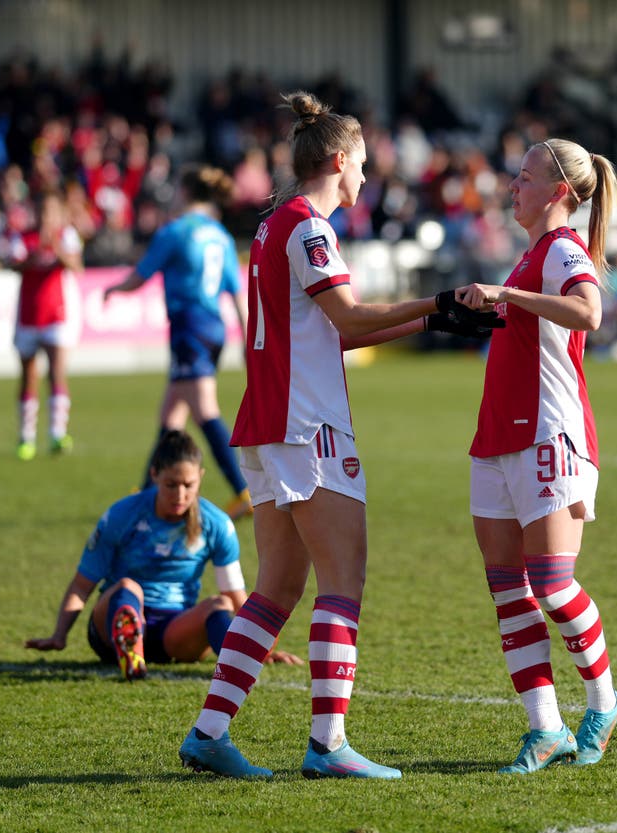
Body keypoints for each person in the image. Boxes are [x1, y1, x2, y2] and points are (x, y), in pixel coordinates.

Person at [177, 91, 500, 781]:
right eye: (360, 163)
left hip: (266, 425)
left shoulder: (273, 225)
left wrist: (430, 323)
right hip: (308, 427)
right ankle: (328, 743)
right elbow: (350, 322)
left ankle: (208, 732)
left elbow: (329, 332)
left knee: (276, 589)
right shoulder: (310, 229)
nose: (365, 177)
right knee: (343, 581)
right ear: (336, 159)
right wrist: (440, 303)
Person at [453, 137, 617, 773]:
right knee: (508, 588)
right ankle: (545, 729)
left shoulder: (562, 250)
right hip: (497, 435)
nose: (512, 186)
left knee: (551, 583)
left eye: (524, 177)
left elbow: (590, 312)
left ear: (557, 193)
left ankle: (604, 703)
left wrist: (509, 296)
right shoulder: (533, 255)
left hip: (550, 435)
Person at [24, 430, 302, 679]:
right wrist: (59, 635)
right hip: (113, 624)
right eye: (171, 485)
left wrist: (261, 650)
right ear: (154, 475)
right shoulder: (123, 514)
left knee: (218, 605)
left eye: (188, 485)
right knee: (127, 586)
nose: (180, 494)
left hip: (176, 631)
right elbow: (82, 585)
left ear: (200, 478)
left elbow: (234, 596)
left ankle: (239, 665)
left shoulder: (216, 523)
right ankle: (131, 649)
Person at [102, 165, 254, 519]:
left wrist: (113, 288)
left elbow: (140, 276)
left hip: (188, 325)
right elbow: (236, 293)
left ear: (184, 193)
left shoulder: (175, 232)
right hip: (214, 327)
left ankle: (243, 488)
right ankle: (145, 496)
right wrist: (247, 338)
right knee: (172, 415)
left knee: (204, 409)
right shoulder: (220, 235)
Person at [12, 190, 84, 460]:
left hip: (57, 313)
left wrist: (56, 248)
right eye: (43, 212)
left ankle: (57, 433)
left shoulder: (66, 236)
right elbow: (14, 265)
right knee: (28, 375)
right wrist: (34, 254)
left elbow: (76, 266)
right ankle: (26, 437)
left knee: (56, 371)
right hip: (29, 314)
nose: (47, 217)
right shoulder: (24, 237)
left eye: (52, 212)